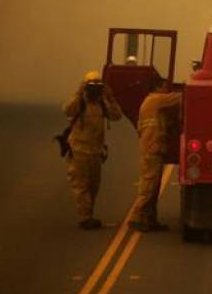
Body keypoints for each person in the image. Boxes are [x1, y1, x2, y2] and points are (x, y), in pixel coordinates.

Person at [62, 70, 122, 229]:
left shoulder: (102, 104)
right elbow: (67, 110)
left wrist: (110, 96)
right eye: (92, 85)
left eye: (98, 85)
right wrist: (80, 92)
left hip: (96, 152)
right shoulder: (80, 103)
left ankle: (89, 214)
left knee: (93, 186)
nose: (94, 89)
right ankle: (85, 217)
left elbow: (117, 116)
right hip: (79, 151)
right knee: (81, 185)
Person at [130, 77, 181, 232]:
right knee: (149, 185)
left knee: (154, 185)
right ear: (158, 87)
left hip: (154, 147)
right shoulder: (155, 100)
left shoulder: (152, 104)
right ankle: (136, 217)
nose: (167, 90)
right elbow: (176, 98)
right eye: (165, 87)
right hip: (152, 148)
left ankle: (150, 219)